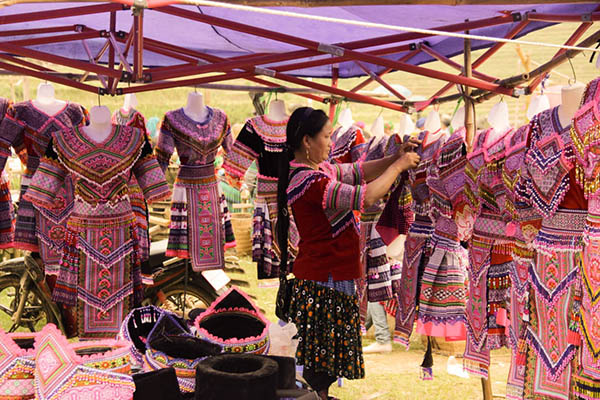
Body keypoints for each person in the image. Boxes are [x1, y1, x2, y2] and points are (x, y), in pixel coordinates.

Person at [277, 107, 420, 400]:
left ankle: (322, 395)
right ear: (307, 141)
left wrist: (394, 157)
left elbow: (358, 171)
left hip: (329, 275)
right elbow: (365, 196)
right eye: (327, 137)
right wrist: (398, 167)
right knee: (321, 361)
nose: (331, 143)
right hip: (322, 279)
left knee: (325, 362)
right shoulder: (310, 182)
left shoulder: (320, 170)